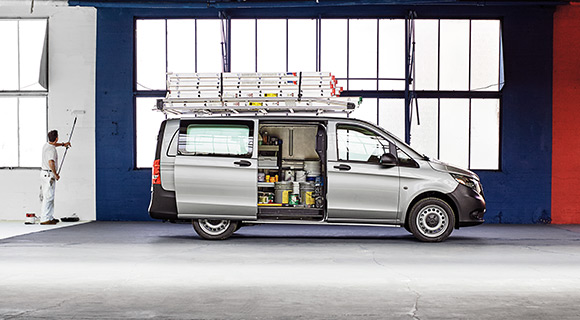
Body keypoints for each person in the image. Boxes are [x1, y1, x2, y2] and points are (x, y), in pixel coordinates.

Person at [40, 130, 71, 225]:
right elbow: (51, 162)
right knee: (48, 197)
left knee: (50, 196)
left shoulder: (47, 145)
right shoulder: (51, 150)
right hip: (49, 175)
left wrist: (63, 144)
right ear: (56, 138)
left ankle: (49, 217)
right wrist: (55, 174)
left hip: (45, 174)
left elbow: (53, 144)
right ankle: (44, 219)